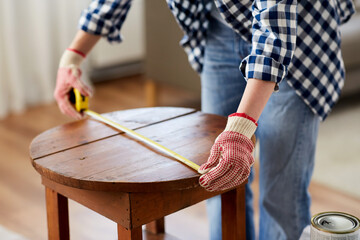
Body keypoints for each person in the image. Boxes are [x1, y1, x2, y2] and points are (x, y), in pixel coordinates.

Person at [54, 0, 355, 239]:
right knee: (218, 178)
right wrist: (73, 55)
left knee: (282, 197)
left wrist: (240, 128)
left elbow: (274, 26)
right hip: (219, 30)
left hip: (296, 36)